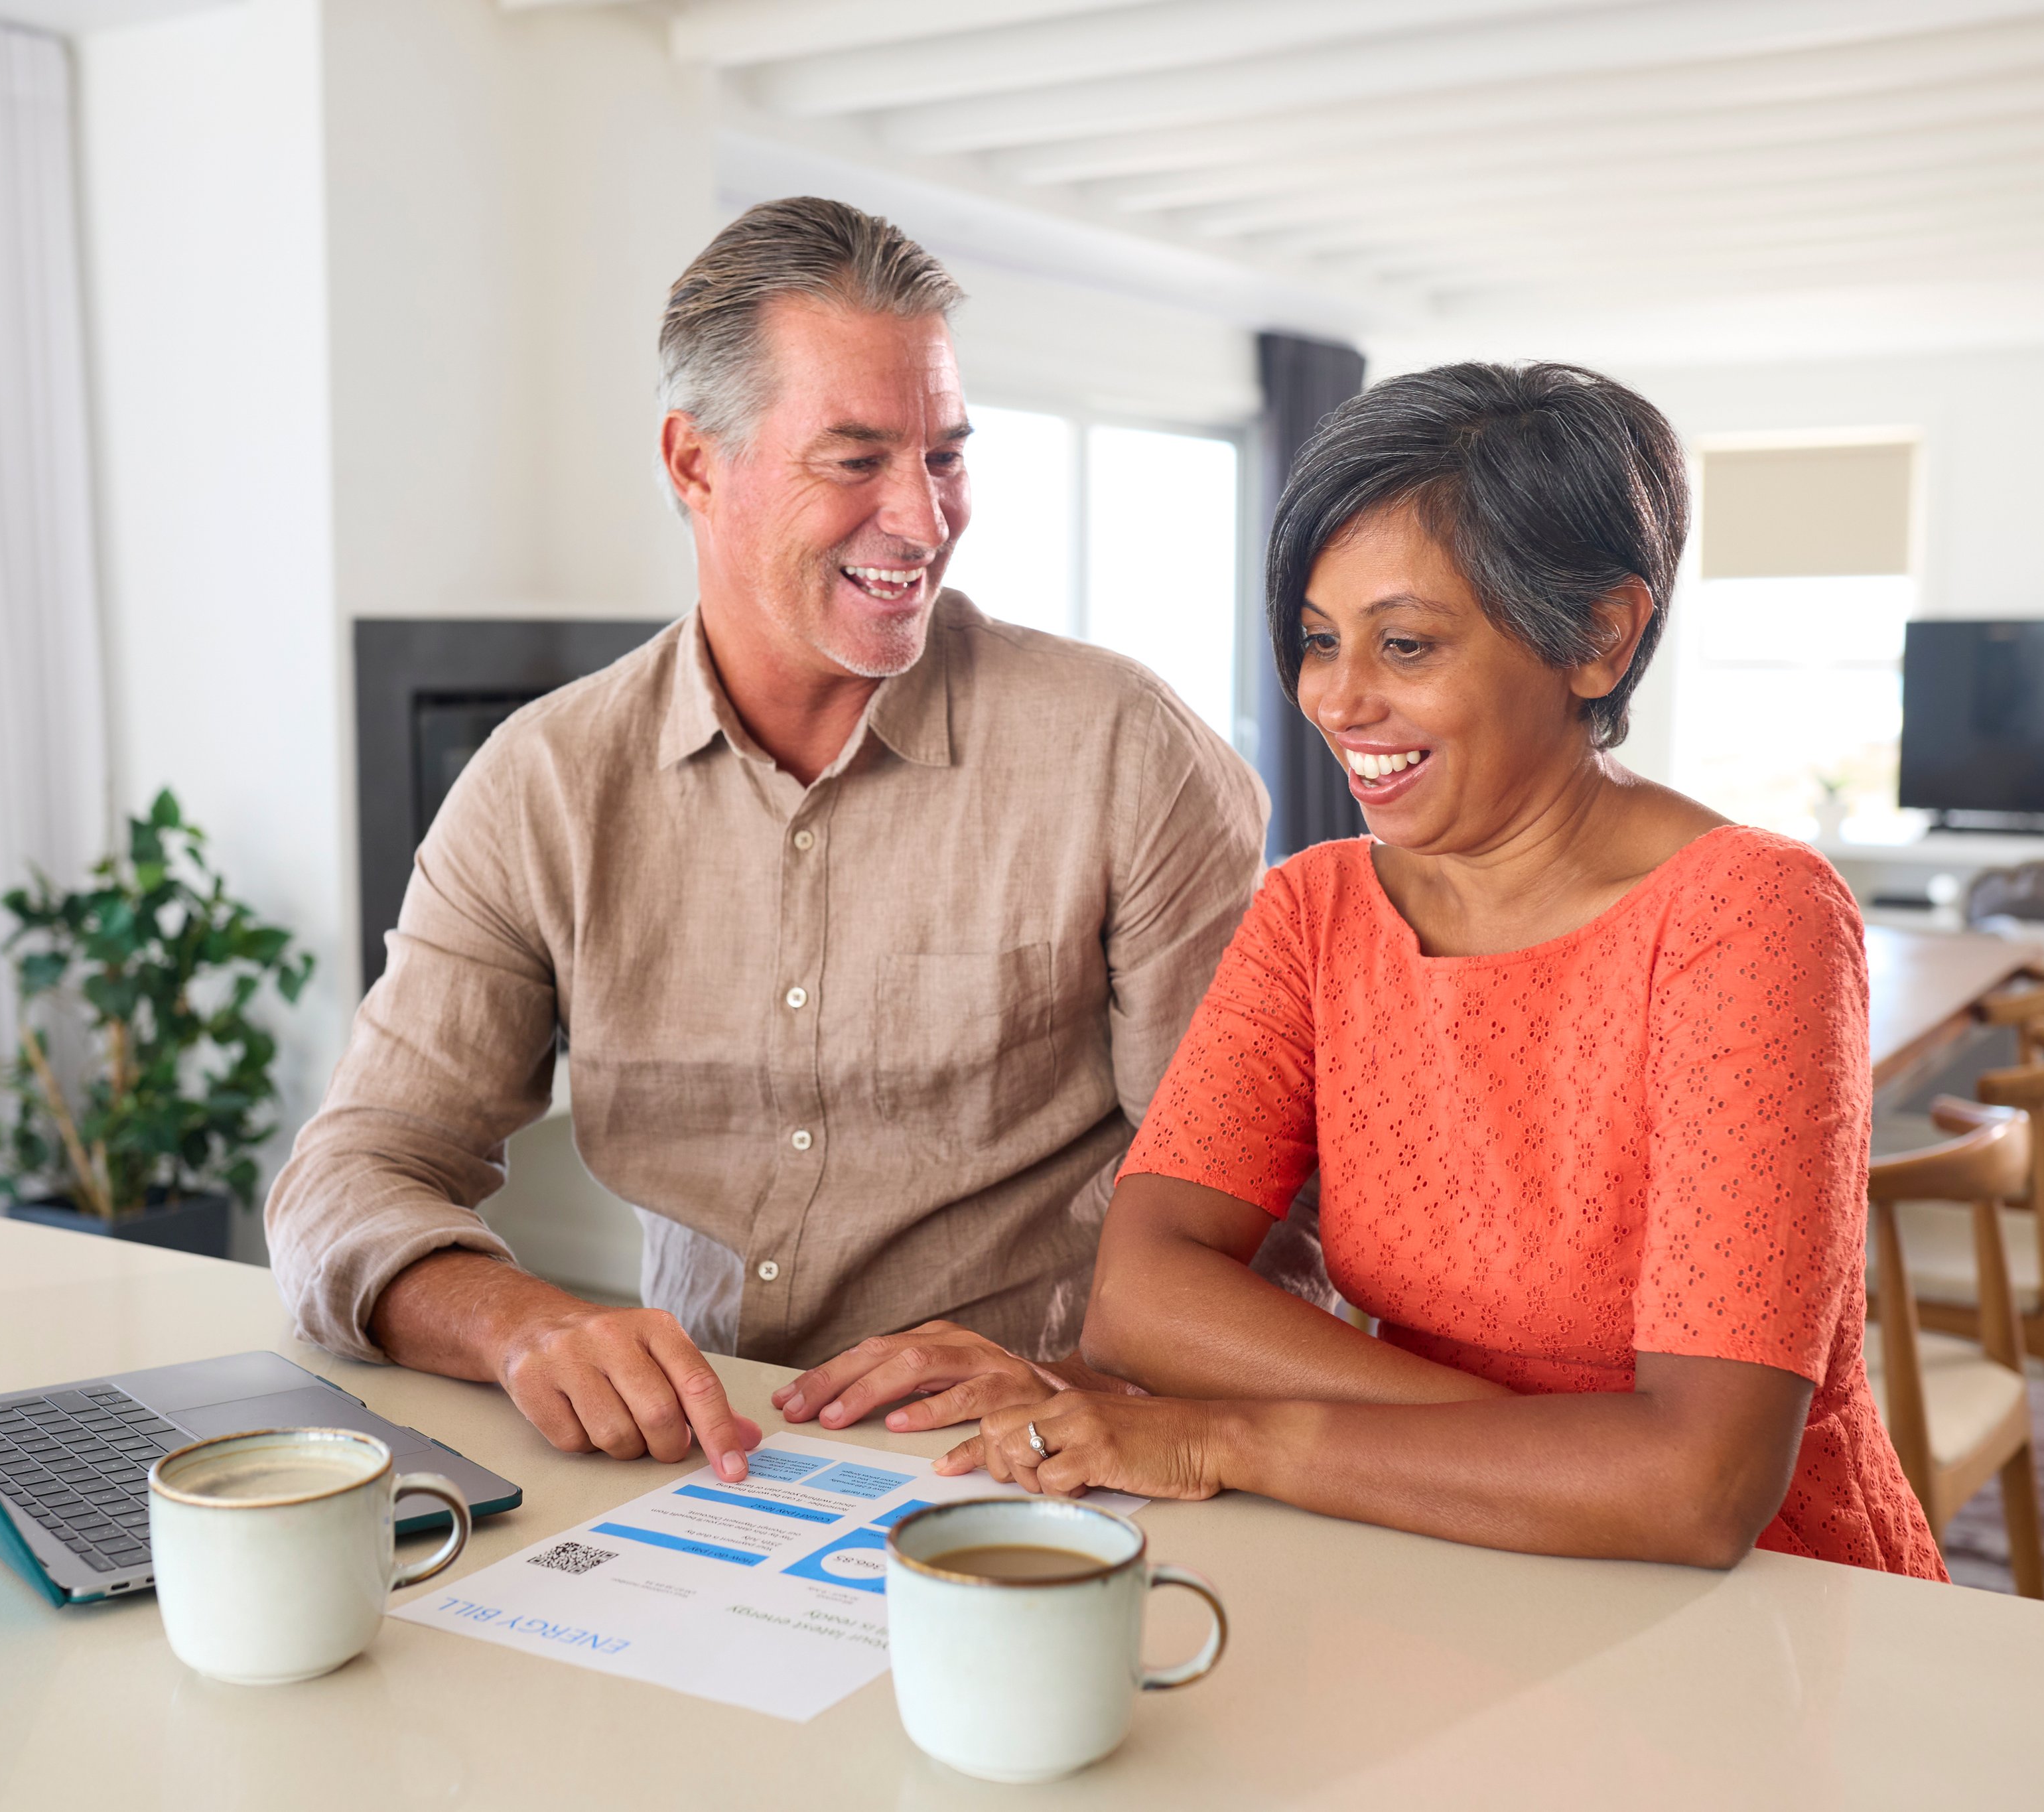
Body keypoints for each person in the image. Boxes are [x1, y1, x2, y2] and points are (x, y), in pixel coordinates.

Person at [266, 198, 1274, 1486]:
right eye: (855, 459)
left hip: (1033, 1462)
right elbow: (346, 1177)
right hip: (697, 1470)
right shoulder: (546, 783)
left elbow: (1250, 1218)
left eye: (945, 456)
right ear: (694, 463)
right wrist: (523, 1325)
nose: (922, 520)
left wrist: (1079, 1379)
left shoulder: (1123, 750)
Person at [940, 362, 1943, 1578]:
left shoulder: (1751, 917)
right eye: (1318, 641)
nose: (1338, 698)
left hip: (1758, 1605)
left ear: (1598, 639)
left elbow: (1702, 1495)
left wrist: (1228, 1437)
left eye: (1405, 643)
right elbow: (1141, 1298)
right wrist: (1594, 1463)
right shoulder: (1315, 909)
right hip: (1428, 1550)